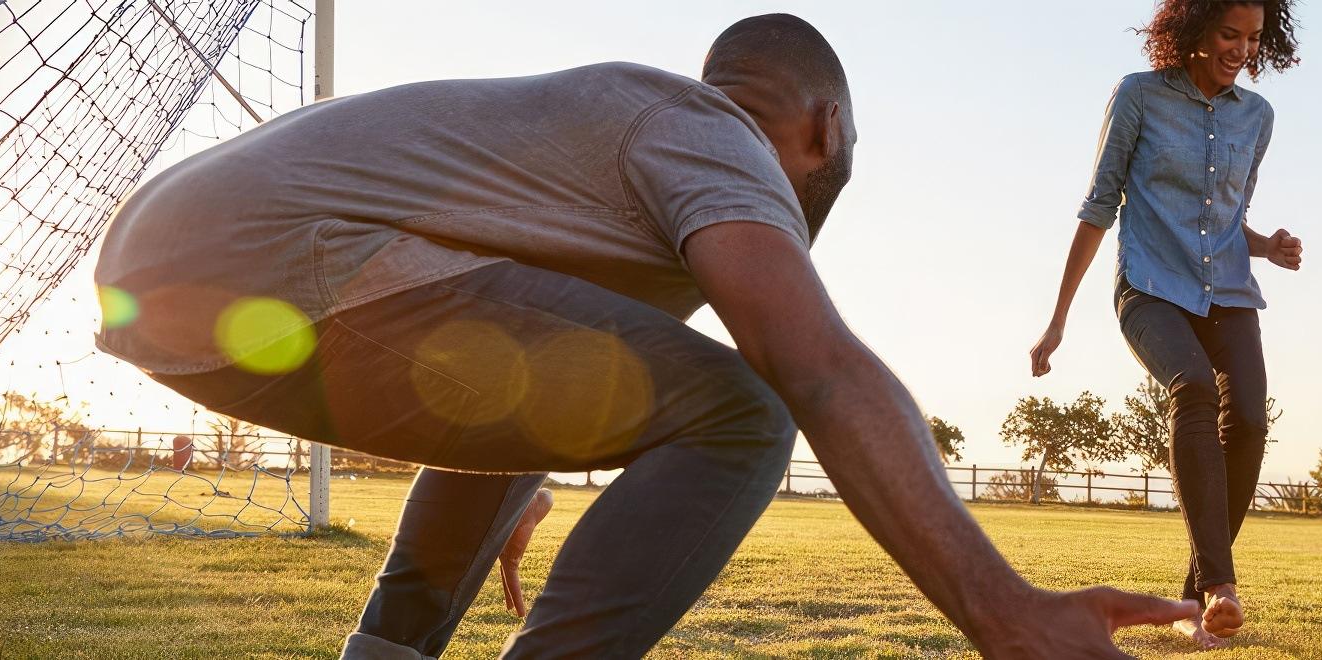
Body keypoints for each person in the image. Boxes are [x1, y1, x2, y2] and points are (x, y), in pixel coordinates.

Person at [93, 13, 1194, 659]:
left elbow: (510, 356)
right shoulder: (712, 135)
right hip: (269, 254)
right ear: (827, 128)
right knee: (743, 414)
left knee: (605, 388)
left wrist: (504, 460)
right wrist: (1005, 610)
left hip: (174, 274)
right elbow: (813, 363)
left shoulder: (620, 161)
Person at [1026, 0, 1302, 650]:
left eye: (1254, 39)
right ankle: (1221, 589)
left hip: (1229, 293)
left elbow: (1225, 217)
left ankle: (1193, 597)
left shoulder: (1257, 117)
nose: (1241, 49)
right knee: (1195, 390)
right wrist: (1058, 319)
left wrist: (1269, 247)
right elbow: (1099, 205)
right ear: (1193, 31)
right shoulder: (1138, 96)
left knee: (1254, 421)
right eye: (1229, 34)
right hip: (1149, 288)